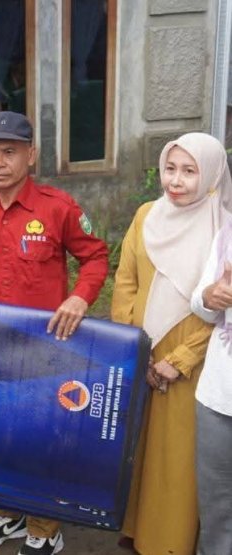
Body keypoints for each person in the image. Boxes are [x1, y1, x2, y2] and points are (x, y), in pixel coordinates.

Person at [0, 111, 109, 555]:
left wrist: (79, 298)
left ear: (30, 155)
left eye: (9, 152)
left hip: (44, 351)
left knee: (39, 438)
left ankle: (44, 527)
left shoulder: (58, 208)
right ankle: (8, 511)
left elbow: (95, 257)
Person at [113, 132, 231, 555]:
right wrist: (132, 346)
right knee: (138, 449)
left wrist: (180, 359)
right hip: (143, 351)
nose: (175, 181)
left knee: (176, 461)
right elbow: (126, 280)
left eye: (189, 170)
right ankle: (134, 530)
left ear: (213, 174)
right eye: (170, 168)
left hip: (192, 367)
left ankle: (170, 544)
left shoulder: (222, 227)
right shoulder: (147, 215)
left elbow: (219, 309)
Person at [190, 143, 232, 555]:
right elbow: (199, 306)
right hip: (218, 398)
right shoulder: (227, 236)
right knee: (217, 511)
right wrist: (211, 294)